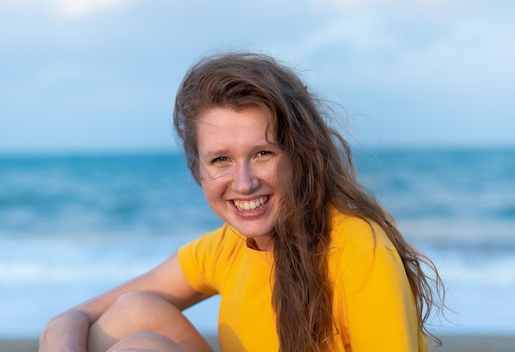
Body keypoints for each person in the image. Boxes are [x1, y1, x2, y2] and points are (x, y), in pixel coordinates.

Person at [39, 52, 445, 352]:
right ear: (199, 170)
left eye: (263, 153)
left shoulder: (357, 247)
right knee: (134, 314)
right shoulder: (227, 248)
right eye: (221, 160)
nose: (244, 183)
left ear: (299, 155)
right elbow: (73, 318)